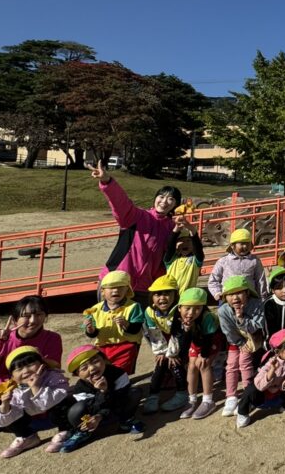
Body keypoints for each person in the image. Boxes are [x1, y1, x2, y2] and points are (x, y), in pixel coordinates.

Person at [0, 295, 62, 445]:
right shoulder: (0, 338)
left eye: (39, 314)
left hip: (27, 385)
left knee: (14, 406)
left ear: (45, 316)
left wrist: (40, 358)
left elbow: (55, 366)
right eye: (26, 316)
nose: (33, 320)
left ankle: (27, 433)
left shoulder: (52, 338)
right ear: (14, 320)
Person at [88, 160, 180, 296]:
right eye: (161, 197)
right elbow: (120, 202)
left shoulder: (173, 227)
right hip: (116, 281)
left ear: (176, 204)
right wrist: (107, 181)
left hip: (145, 287)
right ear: (155, 199)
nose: (164, 201)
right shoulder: (137, 216)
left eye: (171, 199)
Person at [0, 346, 72, 458]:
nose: (26, 371)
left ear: (42, 364)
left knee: (63, 403)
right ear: (13, 376)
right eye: (19, 369)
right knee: (8, 412)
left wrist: (36, 387)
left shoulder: (53, 376)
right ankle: (27, 437)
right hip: (34, 422)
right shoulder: (14, 389)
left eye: (30, 365)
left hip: (57, 417)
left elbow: (55, 399)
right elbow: (2, 422)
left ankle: (66, 430)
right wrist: (5, 404)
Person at [60, 344, 143, 453]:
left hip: (115, 411)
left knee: (134, 392)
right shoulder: (80, 388)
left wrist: (104, 394)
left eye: (95, 361)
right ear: (77, 374)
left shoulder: (118, 374)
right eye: (84, 368)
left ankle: (126, 420)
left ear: (105, 360)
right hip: (93, 418)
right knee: (76, 410)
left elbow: (120, 400)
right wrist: (102, 394)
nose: (92, 368)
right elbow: (91, 408)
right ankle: (83, 431)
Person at [217, 274, 266, 418]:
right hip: (235, 339)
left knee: (245, 362)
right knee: (231, 364)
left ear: (247, 293)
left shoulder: (256, 304)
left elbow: (258, 325)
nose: (235, 297)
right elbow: (227, 330)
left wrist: (241, 318)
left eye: (239, 293)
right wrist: (239, 342)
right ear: (225, 297)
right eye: (230, 294)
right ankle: (231, 396)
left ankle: (247, 393)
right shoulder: (223, 310)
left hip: (252, 338)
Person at [236, 329, 285, 429]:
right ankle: (242, 412)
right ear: (278, 350)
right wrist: (272, 370)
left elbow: (283, 385)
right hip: (261, 397)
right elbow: (259, 385)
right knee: (250, 389)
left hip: (277, 396)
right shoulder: (270, 362)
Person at [141, 275, 189, 414]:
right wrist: (161, 352)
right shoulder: (150, 312)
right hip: (165, 339)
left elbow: (179, 334)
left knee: (175, 363)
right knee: (161, 362)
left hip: (184, 340)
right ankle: (153, 395)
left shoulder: (179, 310)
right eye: (157, 294)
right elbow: (154, 332)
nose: (162, 298)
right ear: (152, 297)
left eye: (167, 293)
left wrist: (172, 353)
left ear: (175, 295)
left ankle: (182, 393)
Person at [82, 270, 143, 375]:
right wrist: (90, 329)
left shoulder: (133, 307)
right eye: (111, 288)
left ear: (127, 289)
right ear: (103, 291)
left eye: (120, 287)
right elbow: (92, 334)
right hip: (103, 346)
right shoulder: (94, 309)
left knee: (120, 372)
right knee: (105, 371)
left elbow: (136, 329)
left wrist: (126, 324)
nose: (115, 290)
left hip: (126, 345)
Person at [174, 287, 220, 420]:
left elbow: (209, 338)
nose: (191, 312)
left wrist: (204, 355)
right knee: (191, 366)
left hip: (211, 340)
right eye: (187, 308)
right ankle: (192, 399)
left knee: (203, 364)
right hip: (196, 341)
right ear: (179, 307)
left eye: (197, 309)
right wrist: (186, 329)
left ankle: (208, 401)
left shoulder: (207, 317)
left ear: (203, 308)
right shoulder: (178, 317)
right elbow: (182, 340)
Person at [208, 228, 266, 302]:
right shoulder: (223, 261)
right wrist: (217, 293)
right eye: (242, 244)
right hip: (228, 299)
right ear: (232, 246)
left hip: (249, 299)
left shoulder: (254, 261)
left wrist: (262, 298)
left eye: (247, 244)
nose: (245, 246)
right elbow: (213, 280)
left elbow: (260, 281)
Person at [162, 219, 204, 294]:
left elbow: (198, 247)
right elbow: (170, 246)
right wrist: (176, 228)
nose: (185, 243)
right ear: (176, 245)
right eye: (181, 241)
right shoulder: (171, 260)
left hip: (187, 297)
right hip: (171, 297)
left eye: (188, 240)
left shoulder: (195, 260)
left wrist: (191, 229)